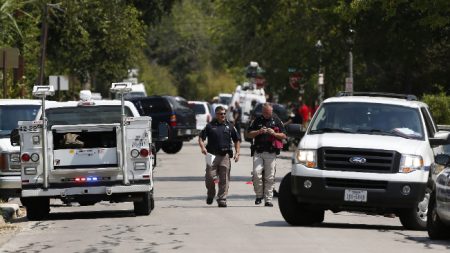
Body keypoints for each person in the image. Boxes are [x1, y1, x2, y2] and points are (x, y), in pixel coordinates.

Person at [198, 106, 241, 208]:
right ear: (216, 115)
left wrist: (237, 152)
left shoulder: (230, 126)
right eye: (221, 114)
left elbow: (237, 140)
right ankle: (210, 194)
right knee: (209, 177)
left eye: (224, 113)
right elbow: (201, 138)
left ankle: (222, 199)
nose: (223, 115)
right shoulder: (209, 126)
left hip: (225, 155)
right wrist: (203, 147)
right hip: (210, 155)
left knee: (224, 178)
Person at [247, 103, 286, 207]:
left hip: (271, 152)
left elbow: (284, 135)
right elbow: (248, 133)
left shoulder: (276, 120)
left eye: (269, 113)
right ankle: (259, 195)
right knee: (256, 173)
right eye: (265, 113)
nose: (267, 115)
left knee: (270, 177)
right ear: (262, 111)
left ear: (271, 111)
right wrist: (259, 132)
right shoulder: (257, 120)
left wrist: (274, 133)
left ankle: (268, 199)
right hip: (258, 152)